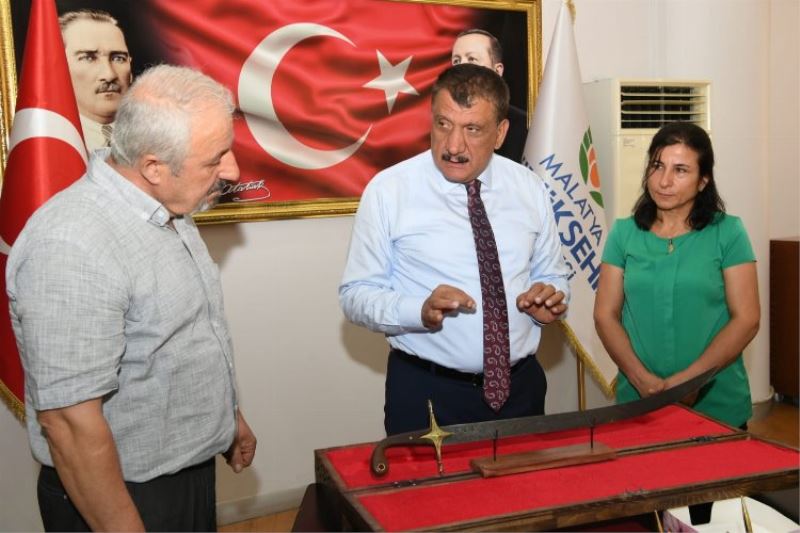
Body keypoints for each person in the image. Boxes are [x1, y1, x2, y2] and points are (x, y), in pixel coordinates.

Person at [7, 64, 254, 531]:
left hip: (183, 474)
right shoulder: (72, 245)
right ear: (153, 167)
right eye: (215, 158)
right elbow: (69, 425)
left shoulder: (168, 206)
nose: (232, 171)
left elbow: (181, 336)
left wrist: (227, 420)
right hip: (119, 498)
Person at [339, 64, 569, 435]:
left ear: (500, 133)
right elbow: (355, 295)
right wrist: (418, 310)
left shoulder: (529, 188)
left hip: (521, 392)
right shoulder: (389, 190)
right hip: (427, 395)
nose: (453, 145)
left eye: (472, 129)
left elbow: (552, 274)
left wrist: (550, 301)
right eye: (443, 124)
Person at [593, 121, 760, 429]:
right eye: (657, 166)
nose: (664, 181)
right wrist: (641, 379)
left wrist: (692, 380)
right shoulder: (623, 233)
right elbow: (605, 315)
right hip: (639, 402)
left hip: (717, 404)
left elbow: (747, 319)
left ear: (703, 180)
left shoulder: (728, 232)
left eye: (680, 170)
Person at [59, 9, 132, 151]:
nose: (109, 75)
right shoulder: (49, 144)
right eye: (88, 58)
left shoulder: (156, 137)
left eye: (118, 58)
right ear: (60, 69)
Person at [451, 28, 527, 163]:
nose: (461, 67)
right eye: (456, 61)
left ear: (497, 71)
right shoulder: (443, 123)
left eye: (472, 59)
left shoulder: (525, 128)